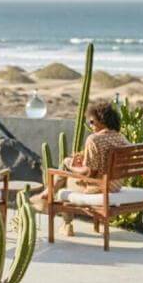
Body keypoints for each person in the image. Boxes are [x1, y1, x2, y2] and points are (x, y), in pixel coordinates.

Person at [59, 100, 129, 235]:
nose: (90, 125)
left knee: (64, 186)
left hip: (99, 187)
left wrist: (71, 166)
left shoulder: (94, 139)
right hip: (116, 185)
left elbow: (89, 172)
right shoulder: (121, 138)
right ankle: (46, 193)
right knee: (66, 174)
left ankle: (66, 224)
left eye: (92, 122)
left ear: (102, 121)